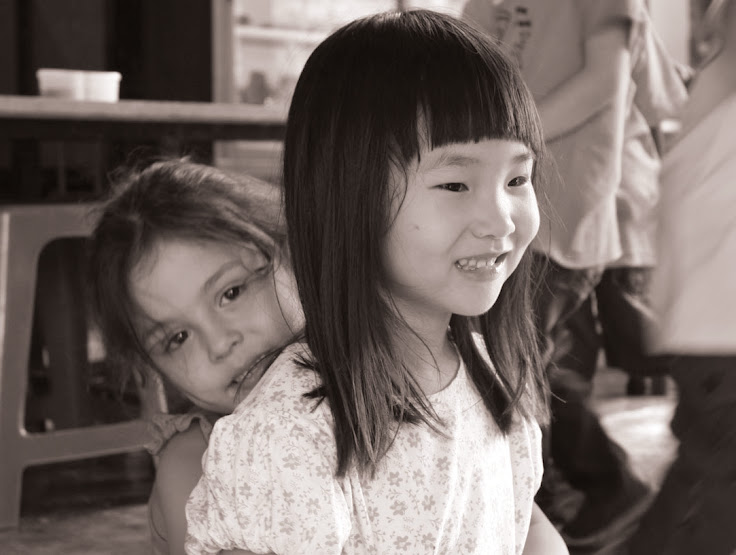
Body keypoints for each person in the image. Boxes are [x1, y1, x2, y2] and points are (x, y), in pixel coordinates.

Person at [185, 9, 567, 554]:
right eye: (455, 184)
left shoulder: (488, 376)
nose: (501, 220)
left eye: (517, 178)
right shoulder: (294, 432)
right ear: (350, 198)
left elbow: (521, 528)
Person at [461, 0, 687, 546]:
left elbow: (605, 82)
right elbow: (462, 65)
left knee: (514, 362)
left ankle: (558, 500)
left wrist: (501, 143)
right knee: (528, 361)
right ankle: (601, 489)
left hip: (560, 212)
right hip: (497, 205)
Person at [86, 158, 304, 555]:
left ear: (291, 255)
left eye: (231, 293)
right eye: (178, 338)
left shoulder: (389, 387)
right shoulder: (194, 472)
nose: (219, 343)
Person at [628, 0, 736, 552]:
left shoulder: (713, 100)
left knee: (705, 478)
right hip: (721, 340)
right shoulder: (721, 117)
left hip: (710, 336)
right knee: (713, 490)